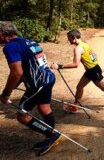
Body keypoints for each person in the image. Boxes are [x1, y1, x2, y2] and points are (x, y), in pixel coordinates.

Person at [0, 21, 61, 156]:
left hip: (37, 84)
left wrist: (6, 94)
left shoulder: (10, 47)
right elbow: (30, 66)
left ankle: (52, 134)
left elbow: (17, 72)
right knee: (44, 107)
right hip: (48, 78)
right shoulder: (29, 41)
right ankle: (49, 136)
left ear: (3, 34)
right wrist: (14, 86)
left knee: (22, 116)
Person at [51, 29, 104, 113]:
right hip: (92, 70)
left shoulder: (78, 48)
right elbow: (93, 56)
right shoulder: (84, 44)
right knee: (79, 86)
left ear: (74, 37)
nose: (68, 40)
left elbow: (75, 64)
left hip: (93, 71)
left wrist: (59, 66)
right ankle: (76, 106)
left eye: (69, 38)